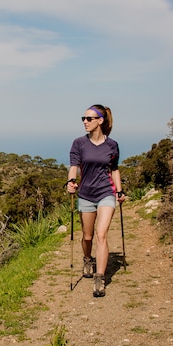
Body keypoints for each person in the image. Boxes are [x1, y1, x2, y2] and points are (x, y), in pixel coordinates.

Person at [66, 104, 126, 297]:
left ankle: (100, 278)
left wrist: (119, 191)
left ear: (100, 121)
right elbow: (74, 166)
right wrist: (70, 181)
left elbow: (114, 169)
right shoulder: (78, 143)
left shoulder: (112, 145)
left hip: (105, 193)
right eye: (83, 118)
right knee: (88, 237)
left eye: (89, 119)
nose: (85, 122)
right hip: (85, 194)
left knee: (101, 235)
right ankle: (86, 258)